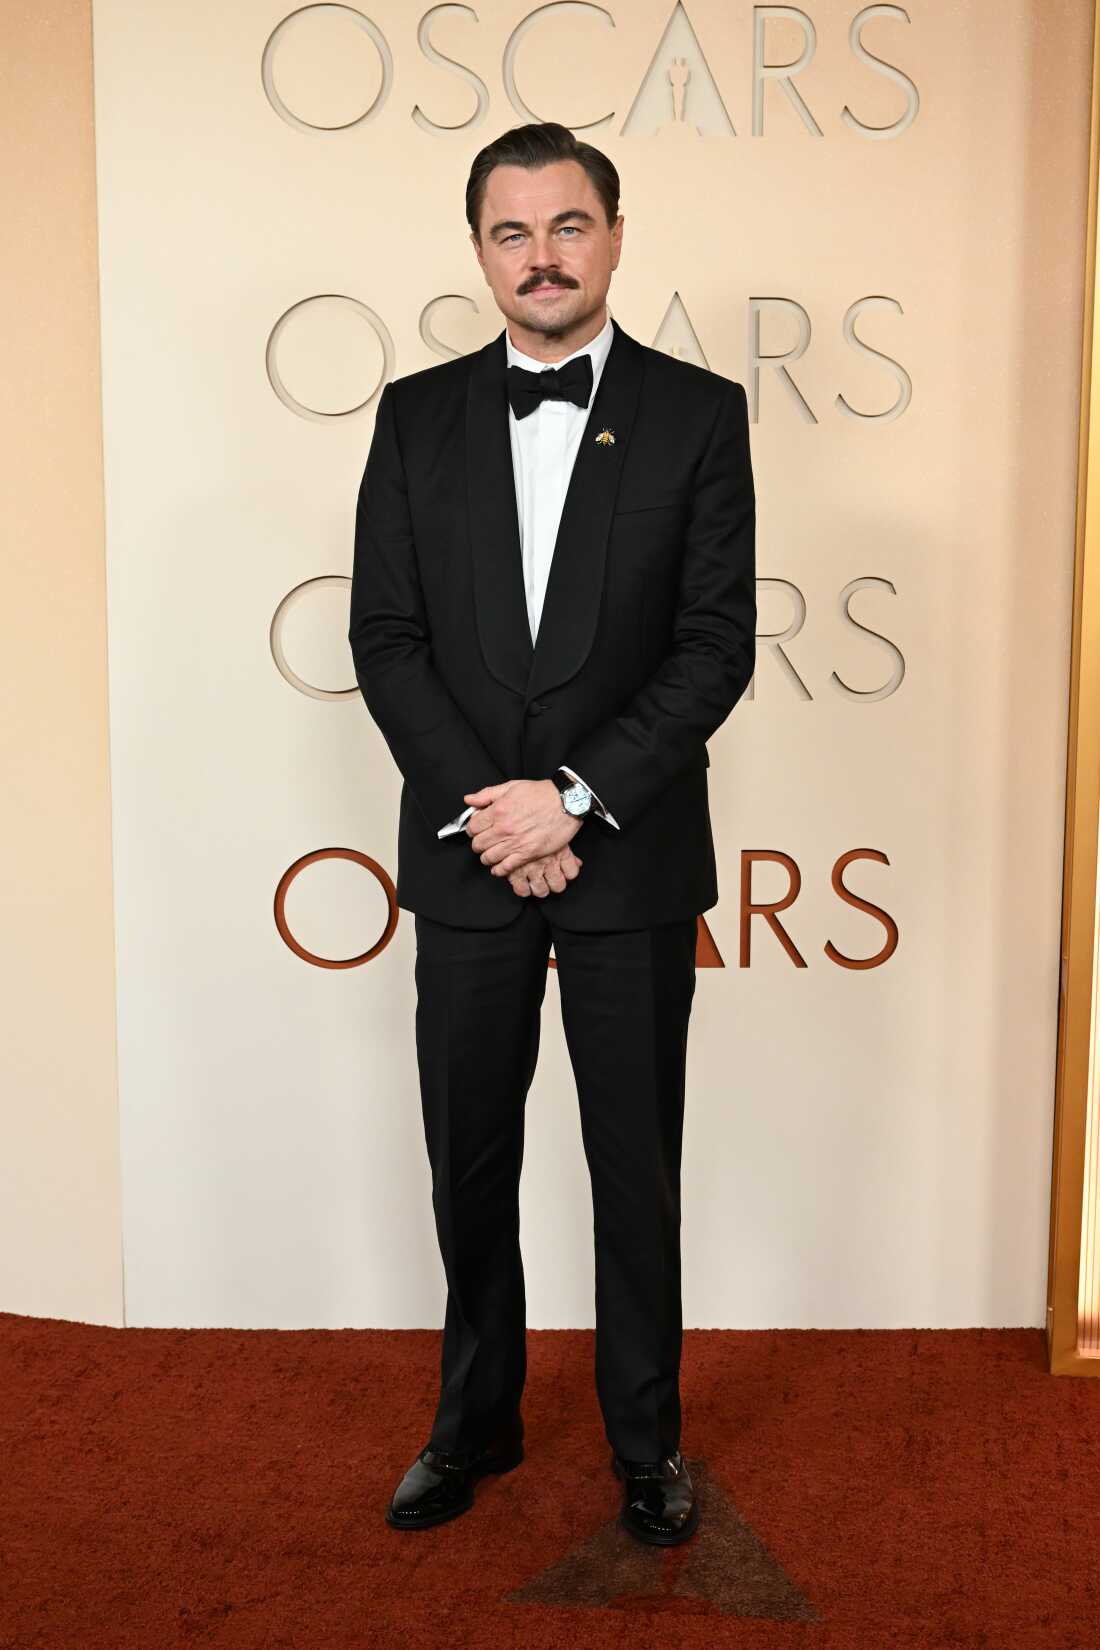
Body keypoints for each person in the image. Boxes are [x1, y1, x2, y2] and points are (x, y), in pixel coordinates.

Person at [348, 120, 756, 1546]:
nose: (541, 255)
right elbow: (386, 638)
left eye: (567, 225)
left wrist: (571, 799)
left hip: (626, 857)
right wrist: (499, 812)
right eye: (511, 231)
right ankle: (474, 1423)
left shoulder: (699, 414)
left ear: (615, 237)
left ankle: (648, 1439)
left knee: (635, 1164)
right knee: (469, 1156)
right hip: (471, 855)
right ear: (479, 251)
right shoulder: (414, 417)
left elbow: (713, 646)